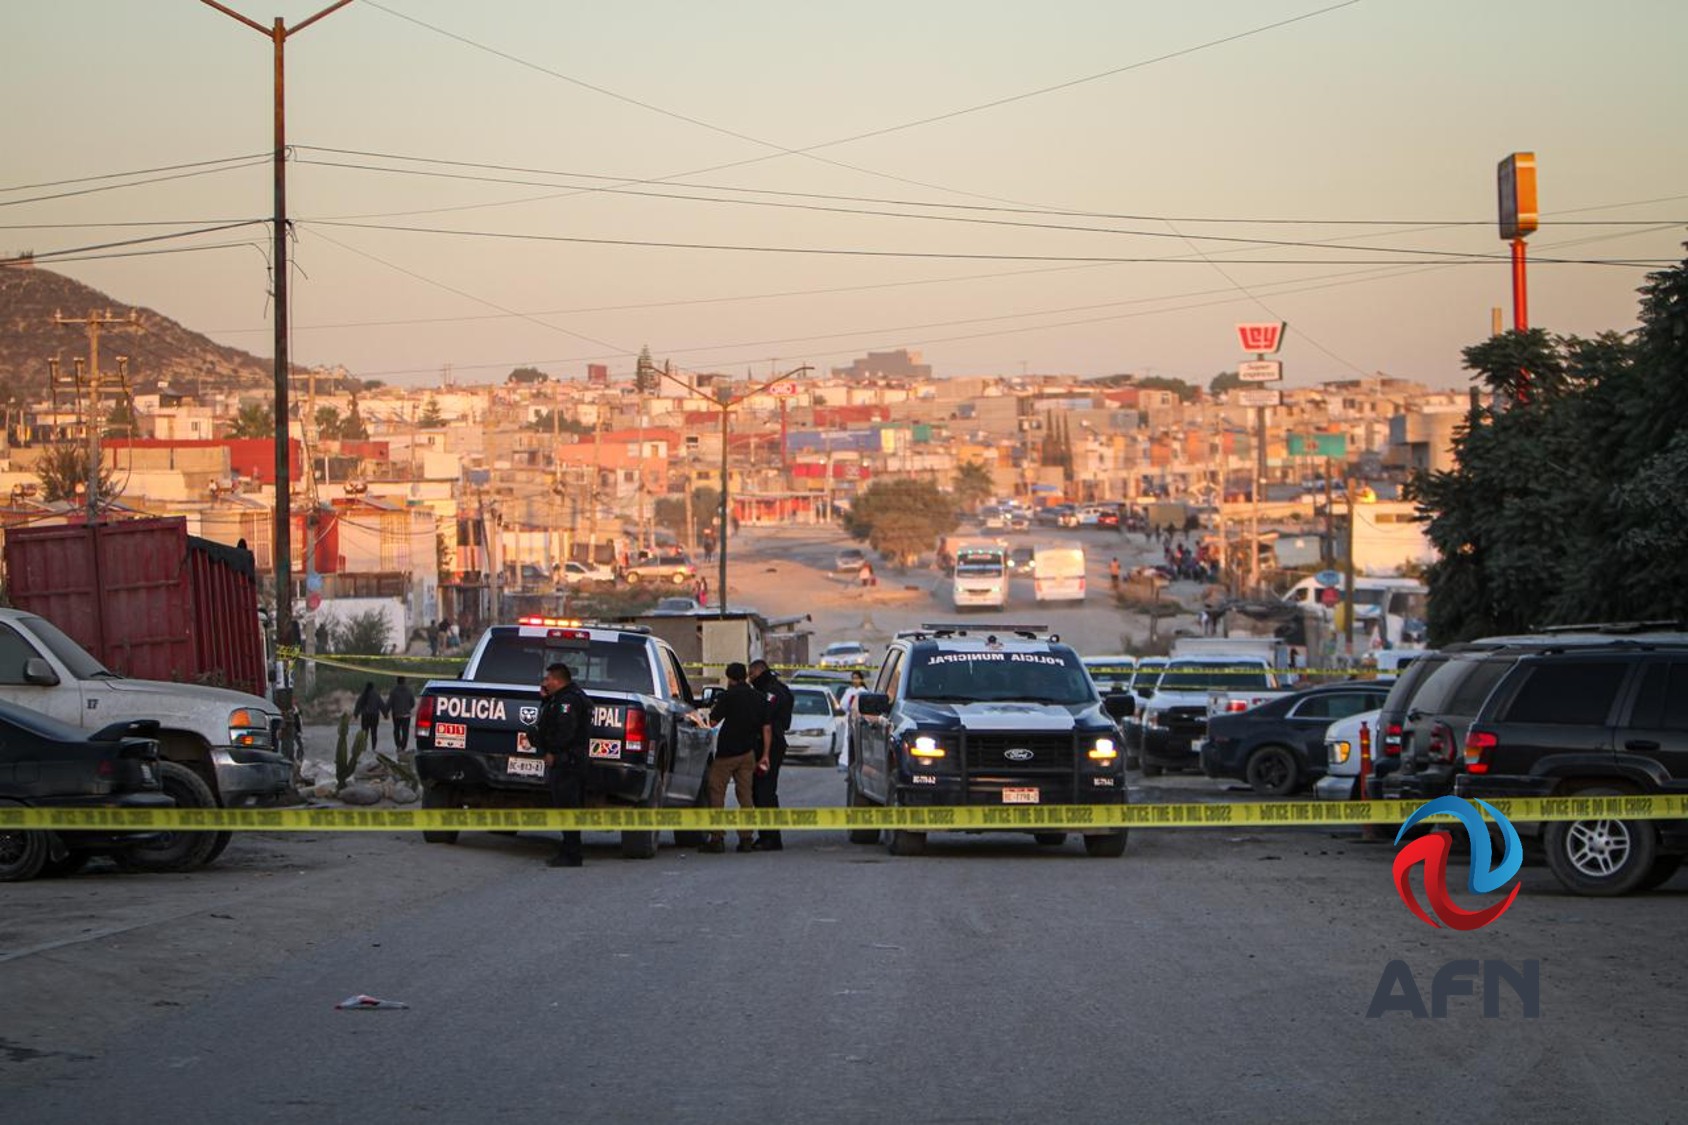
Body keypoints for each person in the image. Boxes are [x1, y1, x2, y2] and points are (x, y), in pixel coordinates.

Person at [698, 662, 768, 854]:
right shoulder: (758, 697)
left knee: (716, 793)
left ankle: (717, 838)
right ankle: (746, 838)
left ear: (730, 678)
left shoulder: (728, 696)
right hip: (748, 754)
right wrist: (765, 754)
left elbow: (712, 721)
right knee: (745, 796)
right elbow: (765, 726)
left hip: (727, 753)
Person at [533, 661, 593, 868]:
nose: (545, 682)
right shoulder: (561, 698)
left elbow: (565, 732)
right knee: (565, 807)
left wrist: (554, 753)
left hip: (569, 762)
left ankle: (572, 854)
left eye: (548, 679)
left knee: (568, 807)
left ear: (558, 680)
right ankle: (569, 850)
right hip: (568, 761)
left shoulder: (568, 701)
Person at [748, 659, 794, 852]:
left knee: (764, 791)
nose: (750, 680)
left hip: (769, 744)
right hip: (772, 742)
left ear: (759, 673)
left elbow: (765, 716)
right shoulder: (779, 688)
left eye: (752, 676)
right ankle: (768, 836)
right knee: (763, 790)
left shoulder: (771, 692)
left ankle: (770, 837)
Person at [837, 670, 867, 772]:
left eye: (857, 678)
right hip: (849, 719)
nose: (855, 680)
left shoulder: (864, 692)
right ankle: (845, 763)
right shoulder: (849, 691)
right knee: (847, 741)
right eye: (853, 678)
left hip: (860, 720)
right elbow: (843, 704)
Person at [353, 681, 386, 754]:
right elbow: (381, 705)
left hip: (365, 716)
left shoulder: (363, 694)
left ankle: (364, 748)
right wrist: (385, 714)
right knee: (374, 733)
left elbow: (358, 704)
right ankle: (373, 748)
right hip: (374, 716)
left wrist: (356, 714)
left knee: (365, 733)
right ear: (373, 687)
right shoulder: (376, 695)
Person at [387, 675, 416, 754]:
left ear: (397, 681)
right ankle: (403, 747)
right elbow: (413, 703)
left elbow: (389, 703)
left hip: (396, 714)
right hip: (406, 715)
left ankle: (398, 745)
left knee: (396, 730)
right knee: (405, 731)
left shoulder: (393, 691)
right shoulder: (409, 690)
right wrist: (408, 708)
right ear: (404, 681)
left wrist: (386, 712)